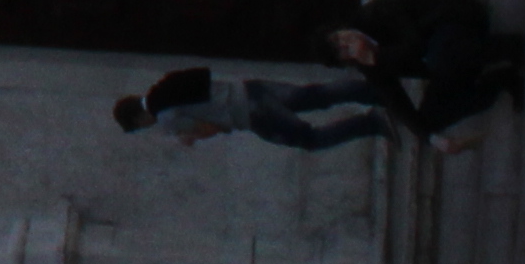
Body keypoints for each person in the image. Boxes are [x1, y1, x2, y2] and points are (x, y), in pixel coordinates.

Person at [324, 0, 524, 140]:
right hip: (444, 64)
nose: (347, 43)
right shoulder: (367, 65)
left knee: (440, 56)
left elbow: (416, 44)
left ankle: (512, 47)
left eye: (340, 38)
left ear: (342, 28)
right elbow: (394, 99)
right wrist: (431, 138)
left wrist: (380, 57)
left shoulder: (375, 14)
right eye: (344, 51)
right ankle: (501, 80)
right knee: (429, 119)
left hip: (456, 25)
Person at [111, 69, 392, 153]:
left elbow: (211, 127)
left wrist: (192, 138)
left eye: (139, 126)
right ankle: (372, 91)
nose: (146, 128)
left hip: (250, 114)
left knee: (309, 139)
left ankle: (371, 123)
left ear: (138, 118)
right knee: (312, 95)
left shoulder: (165, 118)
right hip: (250, 88)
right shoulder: (166, 85)